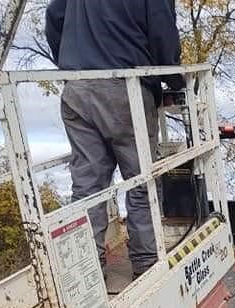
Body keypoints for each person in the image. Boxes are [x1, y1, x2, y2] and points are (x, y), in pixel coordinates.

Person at [45, 0, 184, 279]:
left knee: (88, 187)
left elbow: (54, 18)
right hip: (126, 86)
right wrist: (175, 79)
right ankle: (146, 266)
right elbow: (162, 34)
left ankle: (88, 271)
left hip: (78, 88)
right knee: (141, 181)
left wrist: (72, 61)